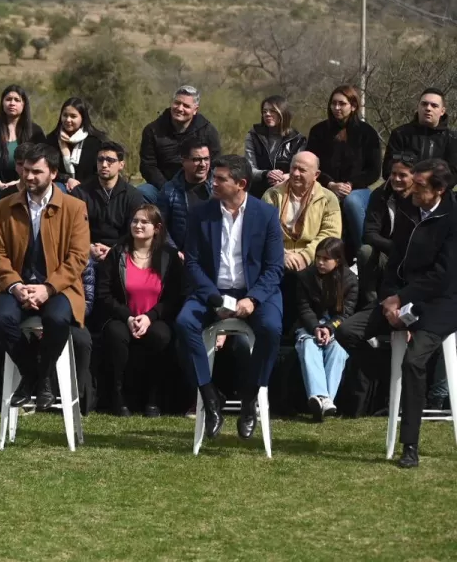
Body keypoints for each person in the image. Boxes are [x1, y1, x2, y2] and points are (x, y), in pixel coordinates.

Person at [344, 159, 457, 468]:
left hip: (440, 303)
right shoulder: (409, 208)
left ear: (439, 190)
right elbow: (395, 258)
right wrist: (390, 300)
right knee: (347, 331)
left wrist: (402, 299)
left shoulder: (452, 219)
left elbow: (443, 277)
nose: (411, 189)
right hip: (400, 297)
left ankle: (410, 446)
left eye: (420, 186)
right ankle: (386, 380)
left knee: (414, 361)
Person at [175, 155, 284, 443]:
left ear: (241, 184)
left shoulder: (266, 214)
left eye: (221, 178)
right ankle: (211, 397)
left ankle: (249, 398)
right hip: (212, 291)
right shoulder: (200, 213)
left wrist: (253, 300)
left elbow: (274, 268)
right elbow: (192, 264)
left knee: (271, 328)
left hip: (255, 293)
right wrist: (214, 299)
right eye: (215, 176)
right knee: (184, 323)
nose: (214, 182)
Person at [0, 144, 91, 409]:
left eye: (37, 171)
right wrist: (15, 285)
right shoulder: (5, 206)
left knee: (57, 319)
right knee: (1, 317)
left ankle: (41, 376)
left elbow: (78, 258)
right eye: (25, 170)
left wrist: (48, 288)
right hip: (17, 285)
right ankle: (34, 375)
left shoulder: (75, 207)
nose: (28, 177)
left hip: (60, 288)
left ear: (53, 173)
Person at [97, 204, 184, 416]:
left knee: (161, 336)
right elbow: (104, 294)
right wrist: (128, 317)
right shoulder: (117, 253)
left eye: (145, 222)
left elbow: (175, 297)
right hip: (122, 316)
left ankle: (153, 399)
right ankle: (118, 398)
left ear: (157, 227)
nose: (138, 225)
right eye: (135, 221)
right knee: (115, 335)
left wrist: (150, 317)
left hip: (156, 317)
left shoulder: (169, 257)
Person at [305, 85, 382, 259]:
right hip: (324, 186)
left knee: (352, 201)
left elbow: (374, 171)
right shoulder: (318, 131)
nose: (336, 108)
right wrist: (330, 184)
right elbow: (312, 166)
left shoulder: (367, 133)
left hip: (357, 190)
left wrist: (350, 185)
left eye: (342, 103)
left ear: (353, 106)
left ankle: (367, 255)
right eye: (333, 103)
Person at [293, 237, 356, 420]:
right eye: (318, 257)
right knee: (309, 347)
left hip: (337, 329)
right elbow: (304, 309)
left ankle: (320, 401)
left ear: (337, 261)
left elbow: (347, 313)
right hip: (308, 327)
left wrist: (329, 328)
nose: (320, 262)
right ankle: (325, 400)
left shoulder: (350, 280)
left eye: (325, 259)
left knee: (338, 349)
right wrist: (316, 328)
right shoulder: (305, 277)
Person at [261, 152, 342, 288]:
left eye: (302, 170)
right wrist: (282, 254)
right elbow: (262, 231)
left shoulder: (328, 198)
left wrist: (305, 256)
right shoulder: (272, 195)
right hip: (278, 256)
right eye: (293, 168)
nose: (296, 173)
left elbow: (330, 234)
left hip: (315, 259)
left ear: (316, 175)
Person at [138, 85, 222, 203]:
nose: (180, 108)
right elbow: (148, 166)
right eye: (177, 103)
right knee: (141, 193)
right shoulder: (152, 130)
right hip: (163, 186)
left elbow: (215, 164)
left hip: (199, 185)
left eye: (186, 106)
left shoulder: (208, 131)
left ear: (195, 110)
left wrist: (200, 185)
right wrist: (167, 189)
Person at [70, 140, 145, 264]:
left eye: (110, 160)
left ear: (121, 165)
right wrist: (88, 247)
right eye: (100, 160)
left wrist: (114, 251)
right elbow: (71, 229)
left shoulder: (132, 195)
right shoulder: (80, 193)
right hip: (85, 250)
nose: (104, 164)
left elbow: (134, 232)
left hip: (121, 252)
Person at [360, 152, 418, 303]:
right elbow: (369, 233)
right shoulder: (381, 194)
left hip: (415, 254)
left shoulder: (422, 196)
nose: (396, 179)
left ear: (415, 177)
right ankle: (370, 301)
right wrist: (394, 248)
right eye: (393, 174)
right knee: (366, 251)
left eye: (403, 175)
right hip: (389, 251)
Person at [0, 85, 46, 195]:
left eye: (17, 100)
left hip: (28, 186)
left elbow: (44, 161)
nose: (12, 103)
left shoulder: (35, 132)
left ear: (23, 104)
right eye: (8, 99)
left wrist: (19, 182)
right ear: (2, 103)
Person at [382, 88, 457, 178]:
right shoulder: (400, 134)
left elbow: (453, 175)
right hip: (403, 189)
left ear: (442, 111)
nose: (428, 108)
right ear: (418, 107)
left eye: (434, 105)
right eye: (424, 104)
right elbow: (388, 170)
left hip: (436, 190)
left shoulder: (452, 138)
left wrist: (430, 185)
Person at [244, 95, 307, 198]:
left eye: (272, 111)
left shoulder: (298, 139)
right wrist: (267, 174)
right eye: (264, 111)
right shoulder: (253, 135)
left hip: (288, 191)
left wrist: (283, 177)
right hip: (258, 191)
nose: (267, 114)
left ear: (283, 113)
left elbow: (300, 169)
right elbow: (249, 168)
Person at [157, 139, 214, 251]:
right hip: (181, 255)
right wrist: (175, 252)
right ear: (183, 161)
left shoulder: (220, 187)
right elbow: (160, 226)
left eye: (206, 159)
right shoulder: (169, 191)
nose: (203, 164)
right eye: (196, 159)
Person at [46, 96, 108, 191]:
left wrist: (80, 186)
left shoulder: (97, 141)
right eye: (65, 115)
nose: (68, 120)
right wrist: (67, 180)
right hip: (62, 187)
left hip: (90, 189)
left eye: (73, 116)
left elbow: (101, 170)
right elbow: (47, 167)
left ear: (83, 118)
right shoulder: (51, 140)